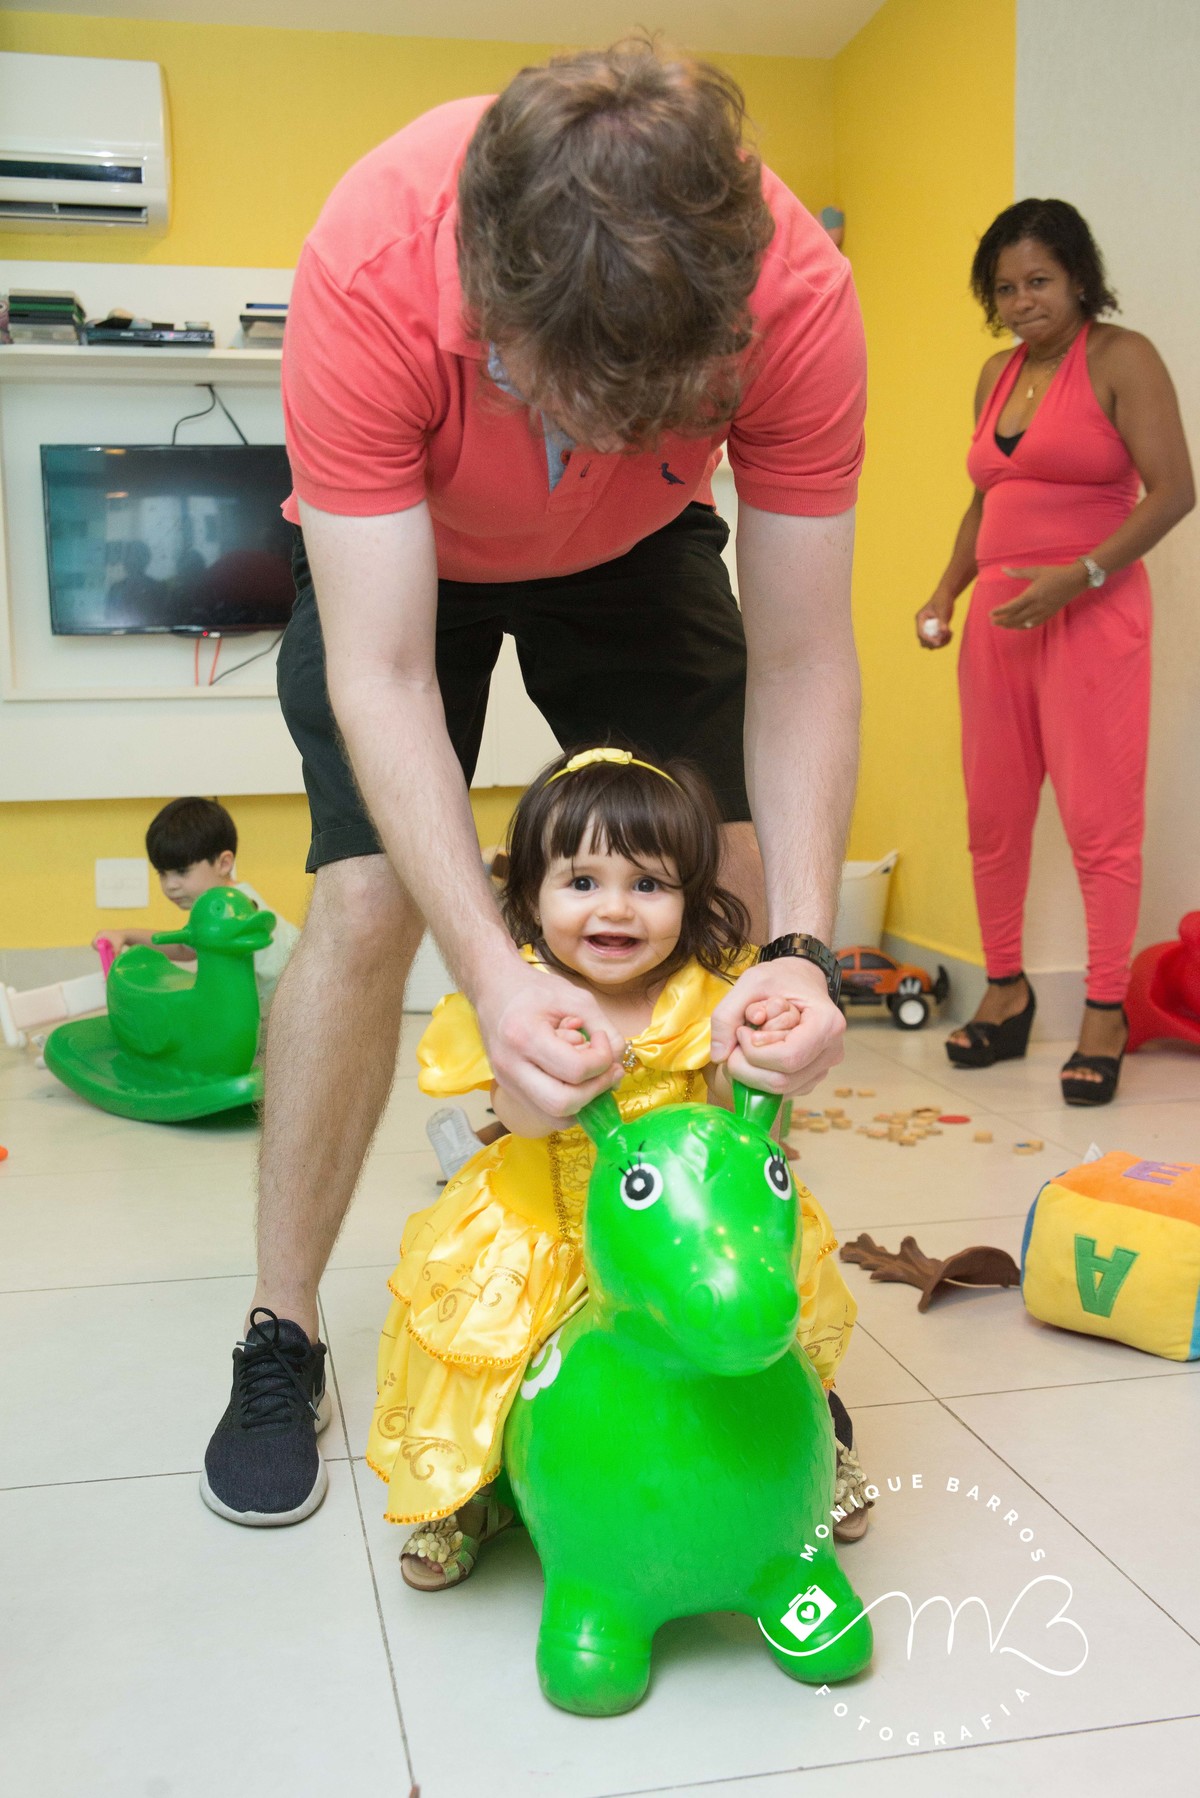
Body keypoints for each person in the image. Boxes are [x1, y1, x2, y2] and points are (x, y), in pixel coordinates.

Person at [200, 38, 866, 1529]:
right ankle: (279, 1326)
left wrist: (810, 952)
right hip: (405, 551)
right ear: (486, 299)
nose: (572, 444)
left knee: (734, 881)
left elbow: (806, 656)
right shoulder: (372, 265)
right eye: (542, 392)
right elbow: (383, 674)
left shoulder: (798, 297)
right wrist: (497, 977)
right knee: (368, 898)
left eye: (629, 412)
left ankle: (748, 1316)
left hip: (640, 550)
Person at [366, 747, 866, 1588]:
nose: (616, 908)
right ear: (531, 894)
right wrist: (557, 1080)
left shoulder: (711, 993)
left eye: (649, 883)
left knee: (756, 1320)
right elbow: (517, 1114)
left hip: (677, 1246)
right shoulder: (521, 997)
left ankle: (808, 1450)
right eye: (582, 882)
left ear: (691, 898)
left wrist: (758, 1064)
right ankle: (471, 1492)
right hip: (546, 1236)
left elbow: (738, 1125)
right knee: (489, 1362)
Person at [917, 198, 1194, 1105]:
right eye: (1005, 288)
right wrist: (947, 589)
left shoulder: (1122, 358)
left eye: (1039, 280)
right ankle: (1006, 991)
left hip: (1092, 614)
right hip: (1001, 624)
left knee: (1099, 823)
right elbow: (985, 499)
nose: (1022, 301)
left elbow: (1174, 489)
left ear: (1079, 278)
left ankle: (1105, 1010)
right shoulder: (995, 374)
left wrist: (1081, 575)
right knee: (994, 817)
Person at [97, 797, 300, 1018]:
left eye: (182, 871)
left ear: (223, 863)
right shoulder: (219, 903)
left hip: (296, 1005)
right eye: (162, 873)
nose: (170, 885)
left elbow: (184, 950)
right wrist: (125, 935)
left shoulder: (231, 907)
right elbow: (185, 949)